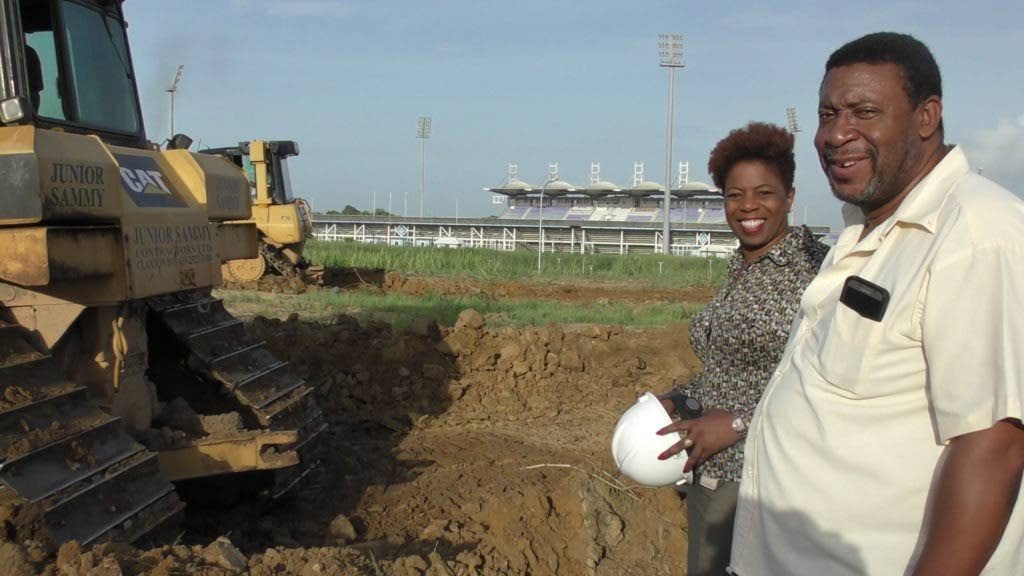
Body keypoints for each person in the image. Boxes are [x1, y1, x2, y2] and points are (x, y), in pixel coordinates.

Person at [729, 32, 1024, 576]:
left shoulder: (977, 236)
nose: (837, 134)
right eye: (827, 114)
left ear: (926, 116)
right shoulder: (868, 231)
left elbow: (992, 447)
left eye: (865, 112)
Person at [655, 122, 829, 576]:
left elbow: (828, 385)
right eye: (735, 195)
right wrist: (680, 397)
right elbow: (733, 367)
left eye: (764, 193)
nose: (748, 206)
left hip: (766, 481)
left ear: (789, 197)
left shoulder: (814, 273)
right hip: (712, 475)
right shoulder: (742, 265)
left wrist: (736, 423)